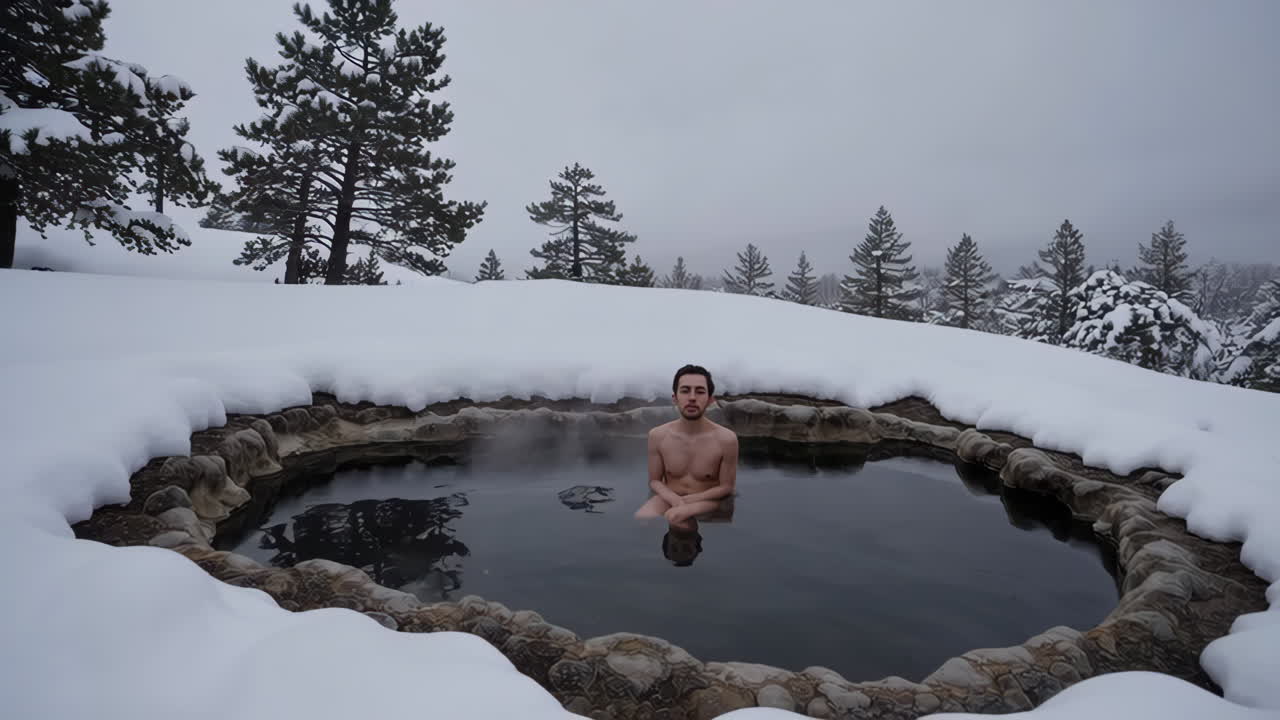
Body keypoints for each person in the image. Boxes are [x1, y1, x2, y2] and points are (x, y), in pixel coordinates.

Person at [634, 364, 738, 527]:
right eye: (685, 390)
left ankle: (687, 547)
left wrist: (687, 502)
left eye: (700, 391)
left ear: (711, 399)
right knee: (641, 517)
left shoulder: (726, 439)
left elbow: (726, 487)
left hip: (709, 500)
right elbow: (654, 481)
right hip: (670, 496)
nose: (692, 397)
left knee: (676, 517)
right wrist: (674, 499)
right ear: (675, 397)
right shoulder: (658, 435)